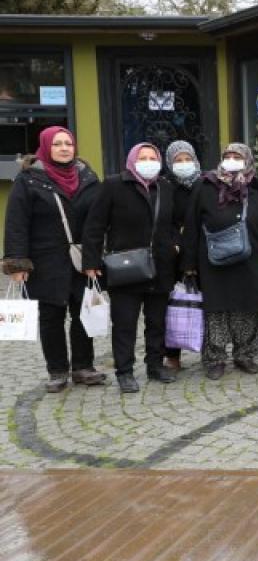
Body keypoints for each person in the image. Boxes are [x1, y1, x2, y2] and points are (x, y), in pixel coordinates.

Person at [3, 127, 105, 393]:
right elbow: (16, 222)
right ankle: (57, 371)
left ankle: (83, 367)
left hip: (82, 259)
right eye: (57, 144)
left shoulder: (88, 177)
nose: (64, 148)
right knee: (51, 317)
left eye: (68, 143)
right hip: (45, 261)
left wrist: (95, 258)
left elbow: (98, 222)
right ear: (46, 147)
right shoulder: (29, 180)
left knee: (84, 313)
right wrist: (17, 262)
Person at [81, 142, 178, 392]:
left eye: (152, 157)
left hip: (161, 267)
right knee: (125, 323)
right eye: (142, 157)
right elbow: (95, 225)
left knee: (157, 322)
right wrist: (91, 261)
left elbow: (173, 224)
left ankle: (155, 366)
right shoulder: (114, 185)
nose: (148, 162)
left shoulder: (165, 187)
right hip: (126, 268)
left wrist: (175, 246)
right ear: (132, 160)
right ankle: (124, 371)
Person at [181, 143, 258, 379]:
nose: (232, 160)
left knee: (250, 307)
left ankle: (245, 354)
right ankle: (215, 358)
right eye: (227, 156)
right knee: (216, 309)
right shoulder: (205, 185)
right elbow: (191, 225)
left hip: (252, 258)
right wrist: (189, 263)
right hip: (213, 259)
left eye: (237, 156)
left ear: (248, 160)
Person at [162, 140, 201, 372]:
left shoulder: (205, 184)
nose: (184, 164)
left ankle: (209, 349)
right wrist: (175, 240)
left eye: (188, 159)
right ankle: (172, 354)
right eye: (178, 160)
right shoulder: (165, 187)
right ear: (170, 163)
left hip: (201, 250)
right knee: (173, 304)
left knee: (204, 300)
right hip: (174, 252)